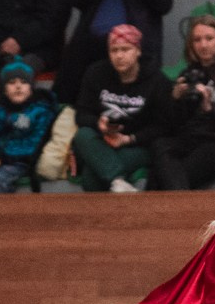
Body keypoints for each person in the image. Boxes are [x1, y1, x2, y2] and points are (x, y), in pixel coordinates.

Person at [151, 14, 215, 191]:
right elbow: (172, 123)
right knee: (161, 145)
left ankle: (176, 202)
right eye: (197, 40)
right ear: (191, 44)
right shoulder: (188, 73)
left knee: (163, 178)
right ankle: (177, 200)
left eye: (209, 38)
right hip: (190, 137)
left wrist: (209, 107)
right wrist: (175, 98)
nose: (203, 45)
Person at [71, 24, 171, 192]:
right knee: (82, 135)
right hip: (102, 141)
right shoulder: (95, 73)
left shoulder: (157, 80)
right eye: (114, 50)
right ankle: (117, 181)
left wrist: (129, 139)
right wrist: (99, 124)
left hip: (137, 144)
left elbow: (164, 126)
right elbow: (81, 114)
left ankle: (114, 180)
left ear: (138, 50)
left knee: (91, 180)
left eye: (125, 49)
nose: (119, 56)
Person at [0, 59, 54, 193]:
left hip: (22, 161)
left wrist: (1, 158)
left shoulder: (40, 111)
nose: (18, 87)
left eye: (24, 82)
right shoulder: (0, 111)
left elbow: (33, 145)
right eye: (12, 83)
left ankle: (2, 214)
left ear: (31, 88)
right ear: (5, 90)